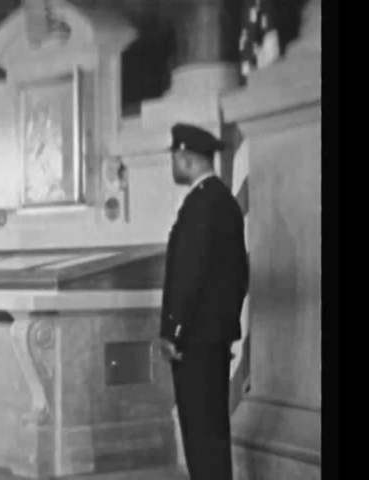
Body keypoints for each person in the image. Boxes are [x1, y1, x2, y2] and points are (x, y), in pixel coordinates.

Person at [160, 123, 249, 480]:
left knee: (201, 432)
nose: (173, 165)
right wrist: (222, 327)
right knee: (210, 430)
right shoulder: (221, 200)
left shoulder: (202, 204)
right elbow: (238, 275)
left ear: (186, 158)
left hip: (194, 340)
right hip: (210, 337)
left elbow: (189, 275)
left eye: (175, 159)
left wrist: (174, 332)